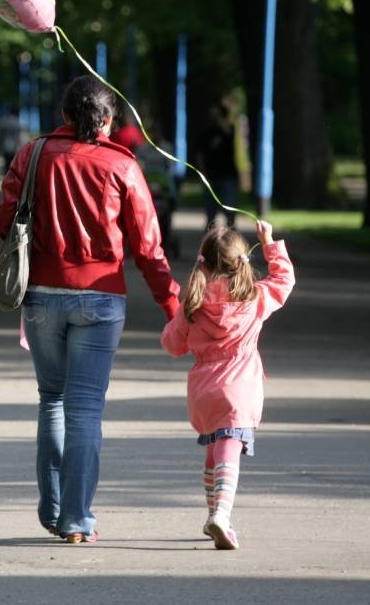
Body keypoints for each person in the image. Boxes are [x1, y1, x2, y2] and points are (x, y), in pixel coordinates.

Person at [0, 75, 180, 545]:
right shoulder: (123, 166)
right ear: (109, 120)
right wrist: (172, 303)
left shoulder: (32, 155)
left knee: (51, 399)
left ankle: (54, 509)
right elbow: (148, 248)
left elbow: (3, 222)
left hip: (41, 295)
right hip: (101, 299)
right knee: (85, 410)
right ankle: (77, 520)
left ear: (64, 114)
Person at [159, 219, 295, 551]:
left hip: (205, 392)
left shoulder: (192, 306)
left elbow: (172, 345)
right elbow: (284, 279)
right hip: (239, 387)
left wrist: (182, 320)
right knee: (229, 451)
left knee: (213, 455)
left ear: (202, 263)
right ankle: (221, 514)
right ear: (241, 263)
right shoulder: (254, 299)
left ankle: (216, 515)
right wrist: (269, 242)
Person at [199, 103, 239, 228]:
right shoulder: (206, 132)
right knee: (210, 214)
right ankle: (210, 242)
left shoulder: (229, 128)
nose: (214, 117)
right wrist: (202, 173)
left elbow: (228, 133)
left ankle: (232, 241)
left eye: (217, 114)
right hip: (210, 176)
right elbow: (200, 154)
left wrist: (220, 119)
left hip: (228, 176)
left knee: (230, 212)